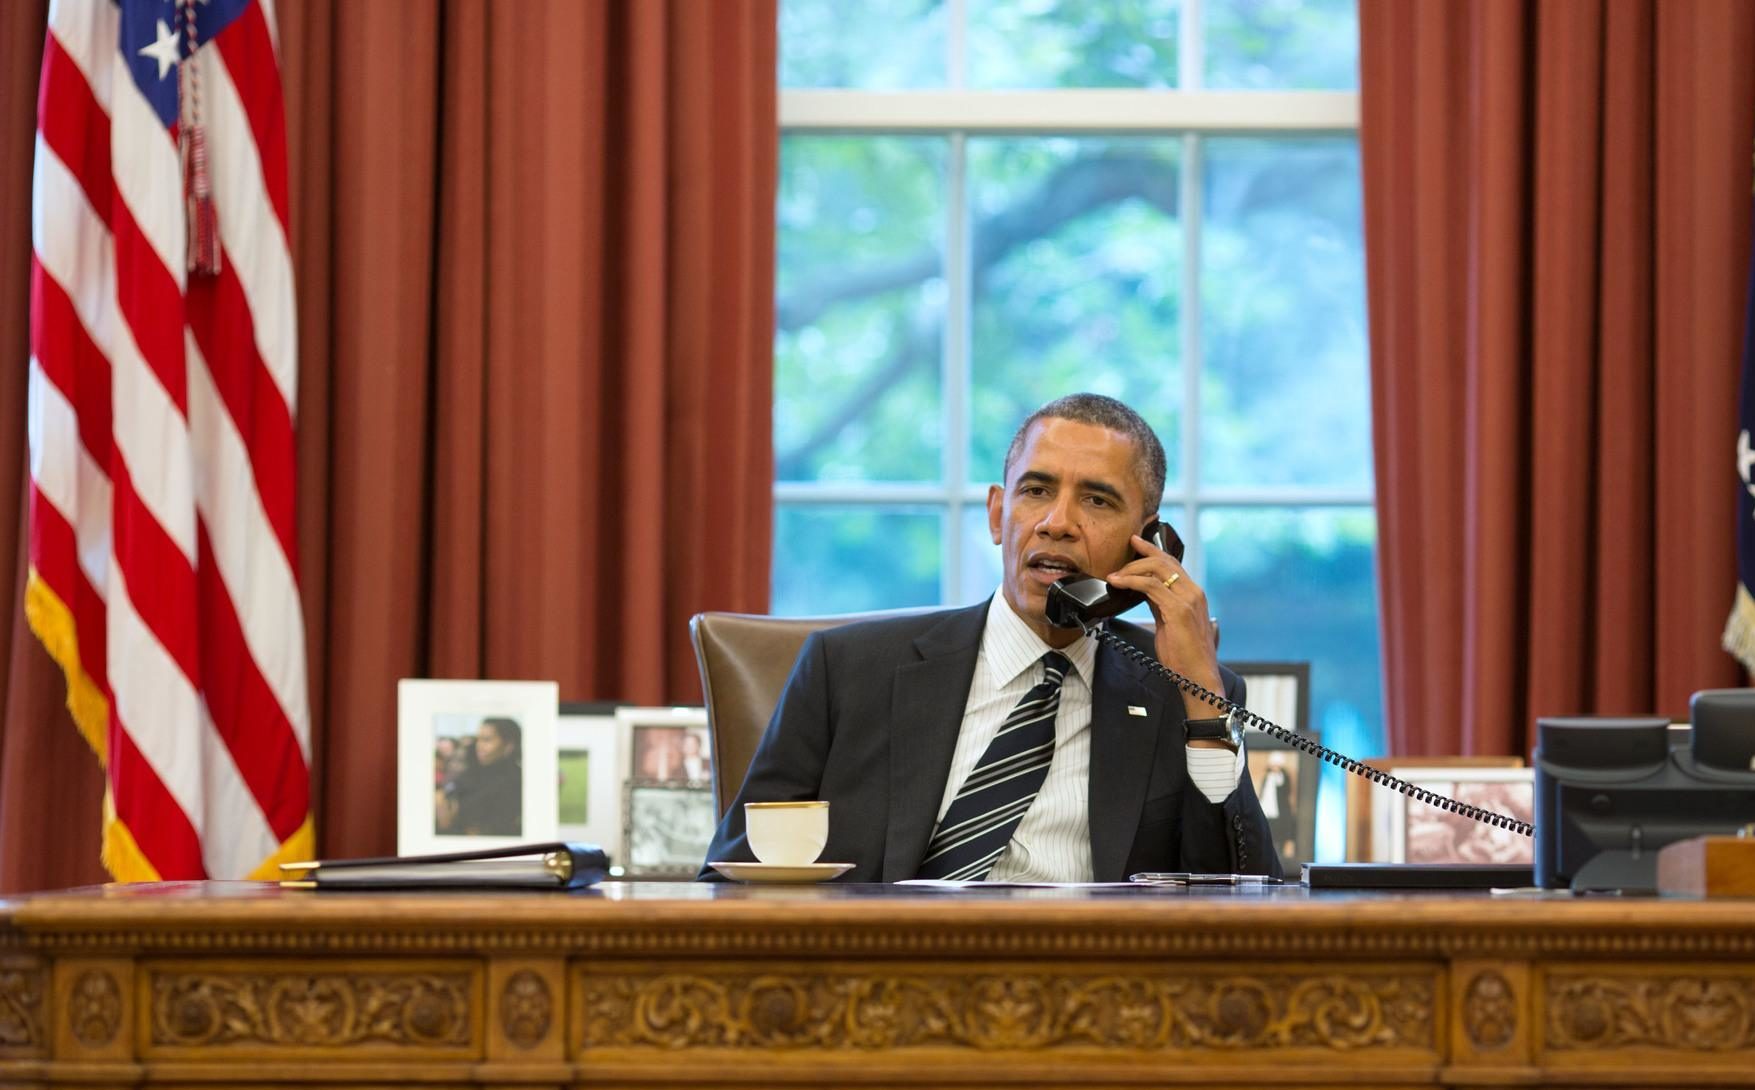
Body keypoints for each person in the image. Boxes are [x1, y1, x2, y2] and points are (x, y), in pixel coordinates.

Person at [701, 393, 1279, 882]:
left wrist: (1203, 701)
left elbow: (1241, 904)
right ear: (998, 514)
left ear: (1147, 542)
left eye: (1097, 501)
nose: (1057, 522)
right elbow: (731, 880)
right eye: (1036, 491)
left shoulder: (1180, 694)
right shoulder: (848, 671)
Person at [437, 717, 523, 836]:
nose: (479, 746)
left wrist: (454, 812)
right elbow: (453, 787)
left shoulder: (515, 781)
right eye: (478, 740)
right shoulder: (478, 769)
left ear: (509, 745)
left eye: (487, 740)